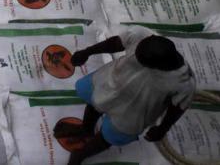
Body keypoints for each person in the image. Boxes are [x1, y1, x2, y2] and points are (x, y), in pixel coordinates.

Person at [65, 29, 196, 164]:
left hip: (135, 109)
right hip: (111, 83)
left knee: (111, 136)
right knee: (95, 101)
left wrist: (163, 128)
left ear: (157, 67)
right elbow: (116, 43)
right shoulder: (141, 36)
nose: (135, 59)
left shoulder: (183, 82)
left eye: (141, 61)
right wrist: (87, 52)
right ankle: (86, 129)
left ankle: (81, 154)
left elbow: (177, 108)